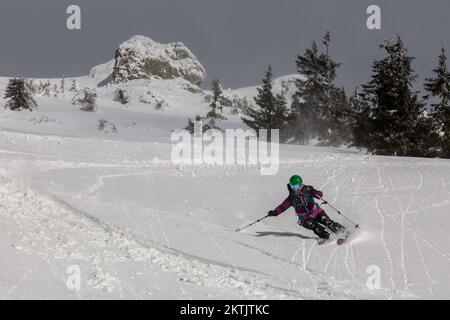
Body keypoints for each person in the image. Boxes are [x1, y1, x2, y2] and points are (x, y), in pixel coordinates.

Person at [268, 175, 346, 240]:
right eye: (294, 187)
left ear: (301, 184)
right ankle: (327, 238)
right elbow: (282, 207)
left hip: (316, 211)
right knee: (315, 227)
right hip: (305, 219)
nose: (296, 189)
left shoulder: (308, 190)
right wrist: (275, 212)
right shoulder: (291, 198)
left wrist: (314, 192)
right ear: (291, 187)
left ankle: (344, 232)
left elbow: (320, 195)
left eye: (298, 186)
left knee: (326, 221)